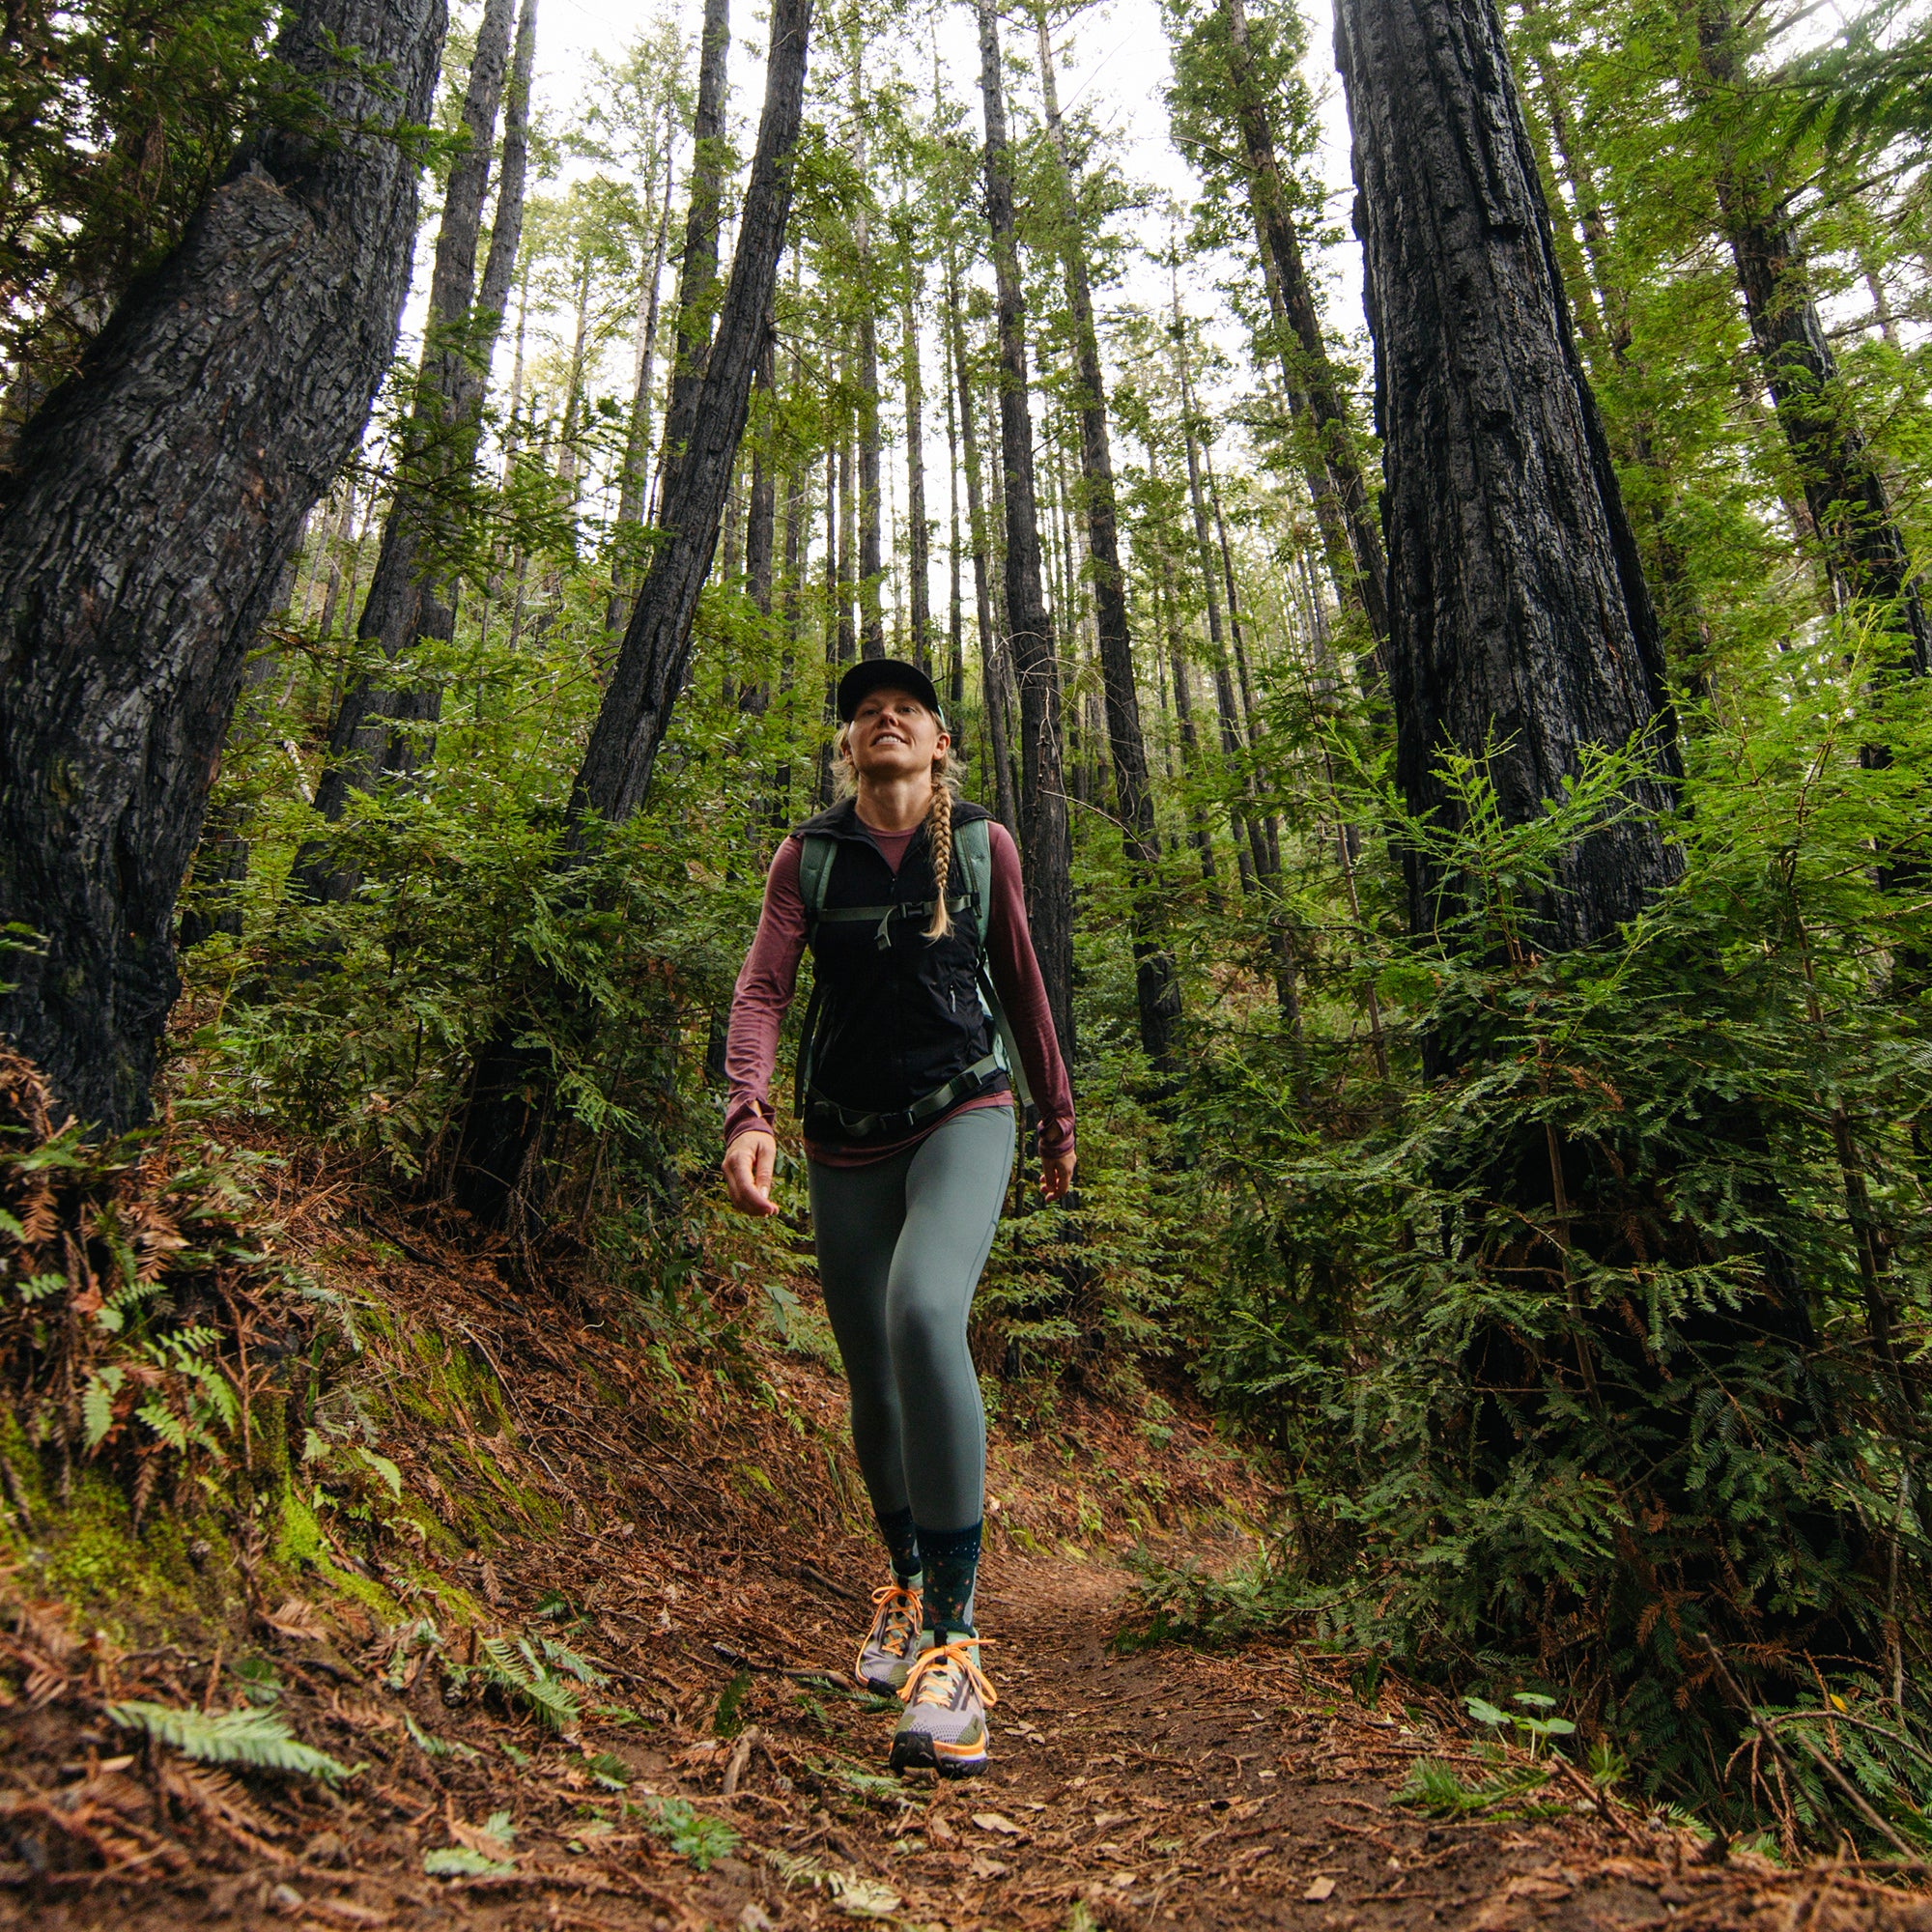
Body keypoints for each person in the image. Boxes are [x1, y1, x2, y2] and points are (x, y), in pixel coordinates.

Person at [721, 659, 1076, 1777]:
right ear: (849, 748)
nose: (884, 719)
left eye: (905, 709)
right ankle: (905, 1588)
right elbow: (764, 988)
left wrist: (1056, 1116)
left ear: (936, 743)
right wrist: (748, 1108)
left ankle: (956, 1645)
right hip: (841, 1133)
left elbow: (1021, 978)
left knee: (924, 1311)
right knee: (870, 1377)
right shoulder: (808, 857)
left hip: (963, 1107)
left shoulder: (979, 844)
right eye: (866, 711)